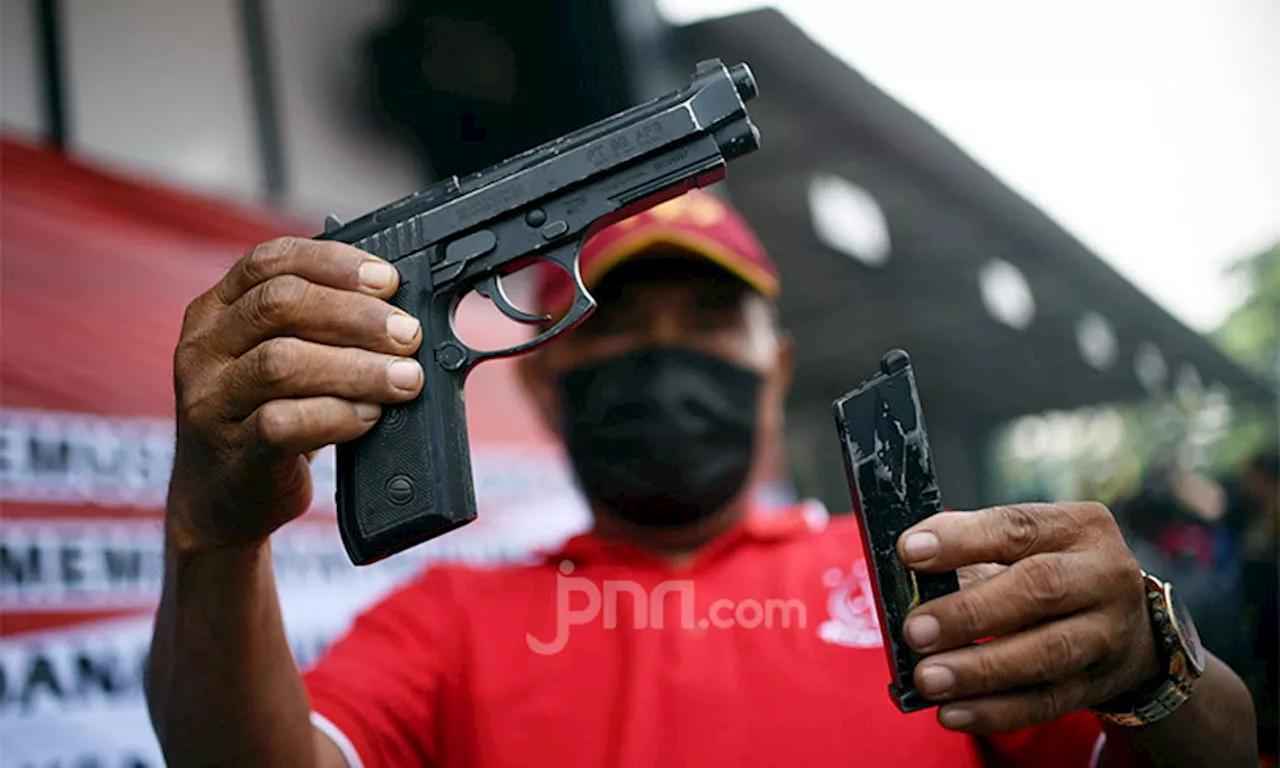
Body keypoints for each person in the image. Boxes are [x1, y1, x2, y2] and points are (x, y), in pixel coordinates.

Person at [146, 190, 1257, 767]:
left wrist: (1149, 669)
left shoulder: (935, 579)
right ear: (542, 378)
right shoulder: (445, 621)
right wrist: (211, 533)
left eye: (709, 319)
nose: (664, 352)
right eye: (617, 321)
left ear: (771, 372)